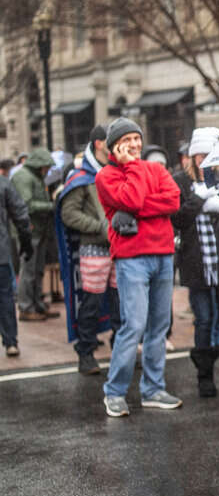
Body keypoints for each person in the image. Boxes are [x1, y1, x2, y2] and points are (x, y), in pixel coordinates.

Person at [95, 117, 183, 417]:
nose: (134, 145)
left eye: (137, 138)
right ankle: (114, 392)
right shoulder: (106, 176)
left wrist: (137, 206)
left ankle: (153, 389)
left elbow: (173, 200)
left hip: (163, 254)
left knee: (158, 326)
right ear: (114, 146)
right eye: (127, 140)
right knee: (134, 326)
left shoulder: (156, 168)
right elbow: (131, 199)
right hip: (131, 258)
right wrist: (133, 171)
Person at [172, 127, 219, 398]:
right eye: (200, 154)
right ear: (192, 156)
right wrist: (197, 199)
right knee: (204, 320)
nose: (204, 159)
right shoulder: (180, 181)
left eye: (209, 154)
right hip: (197, 263)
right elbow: (176, 219)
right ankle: (205, 376)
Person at [56, 125, 123, 375]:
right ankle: (85, 353)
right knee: (91, 303)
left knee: (120, 301)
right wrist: (98, 227)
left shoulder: (116, 171)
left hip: (119, 246)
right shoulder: (81, 176)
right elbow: (68, 213)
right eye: (112, 141)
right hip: (94, 248)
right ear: (99, 143)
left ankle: (120, 349)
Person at [12, 147, 57, 321]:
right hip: (29, 231)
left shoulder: (36, 177)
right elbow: (27, 204)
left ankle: (37, 303)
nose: (47, 170)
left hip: (39, 230)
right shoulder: (24, 177)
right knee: (29, 270)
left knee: (37, 270)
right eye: (45, 166)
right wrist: (50, 206)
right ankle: (26, 307)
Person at [0, 168, 32, 357]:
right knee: (5, 297)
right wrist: (26, 241)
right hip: (1, 252)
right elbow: (20, 214)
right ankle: (11, 342)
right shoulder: (3, 183)